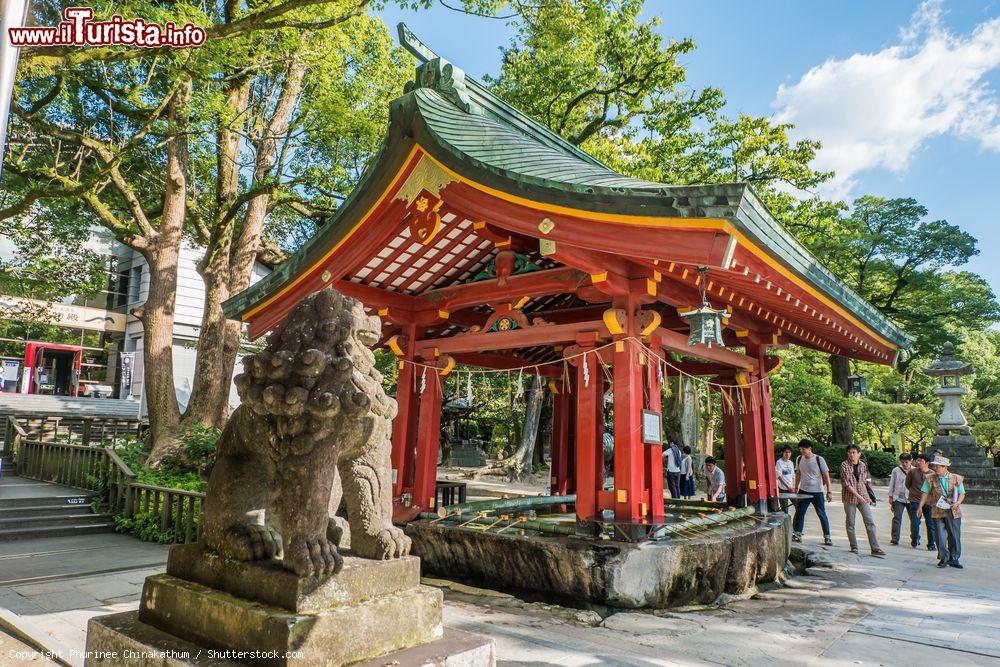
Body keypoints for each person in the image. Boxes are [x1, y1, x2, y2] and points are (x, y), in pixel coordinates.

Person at [917, 456, 966, 569]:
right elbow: (925, 493)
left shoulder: (956, 478)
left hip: (953, 510)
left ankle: (954, 559)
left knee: (954, 535)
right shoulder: (930, 478)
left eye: (937, 466)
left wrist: (957, 502)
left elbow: (962, 493)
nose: (935, 468)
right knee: (939, 536)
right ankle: (943, 558)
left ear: (945, 467)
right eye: (934, 466)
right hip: (937, 509)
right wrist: (920, 507)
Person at [840, 444, 886, 557]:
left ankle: (875, 547)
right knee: (850, 522)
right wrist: (859, 496)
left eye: (854, 452)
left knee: (869, 521)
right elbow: (847, 484)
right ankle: (854, 546)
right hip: (849, 497)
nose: (852, 455)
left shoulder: (863, 465)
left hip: (863, 496)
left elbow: (864, 482)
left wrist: (867, 496)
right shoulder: (844, 465)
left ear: (859, 454)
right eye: (850, 452)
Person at [791, 439, 833, 545]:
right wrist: (796, 487)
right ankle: (797, 534)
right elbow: (798, 474)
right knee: (800, 512)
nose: (802, 451)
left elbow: (826, 476)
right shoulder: (799, 459)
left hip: (817, 491)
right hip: (803, 490)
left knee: (821, 514)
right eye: (800, 449)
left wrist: (829, 491)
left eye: (804, 449)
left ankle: (827, 536)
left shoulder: (819, 459)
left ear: (810, 449)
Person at [905, 454, 937, 550]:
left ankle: (931, 544)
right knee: (915, 522)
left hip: (928, 502)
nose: (918, 462)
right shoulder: (912, 472)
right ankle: (915, 540)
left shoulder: (933, 474)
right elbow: (908, 484)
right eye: (917, 460)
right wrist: (914, 493)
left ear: (927, 463)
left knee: (930, 524)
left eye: (920, 461)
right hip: (915, 500)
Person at [887, 453, 913, 545]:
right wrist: (891, 496)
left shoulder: (915, 471)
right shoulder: (896, 470)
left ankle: (915, 537)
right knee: (897, 518)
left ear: (911, 461)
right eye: (902, 462)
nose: (904, 464)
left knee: (914, 519)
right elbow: (892, 484)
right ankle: (895, 538)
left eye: (906, 462)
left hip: (911, 498)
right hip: (898, 498)